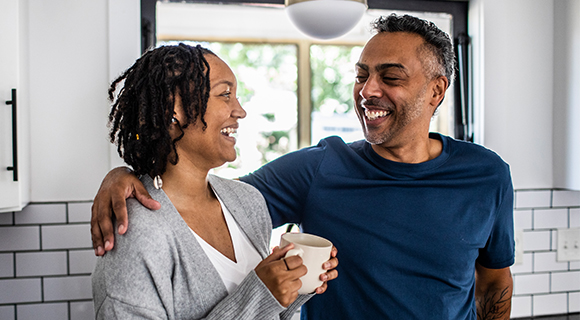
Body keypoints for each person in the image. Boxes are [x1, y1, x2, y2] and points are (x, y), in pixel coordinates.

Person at [91, 14, 514, 320]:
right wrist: (127, 174)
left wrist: (288, 290)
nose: (367, 91)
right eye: (361, 74)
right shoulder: (318, 169)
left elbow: (494, 283)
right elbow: (194, 199)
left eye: (390, 76)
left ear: (436, 91)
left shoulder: (487, 176)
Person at [91, 43, 338, 319]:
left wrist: (293, 285)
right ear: (175, 111)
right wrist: (262, 294)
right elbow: (257, 301)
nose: (240, 111)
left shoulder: (247, 202)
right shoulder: (137, 233)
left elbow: (267, 312)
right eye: (225, 95)